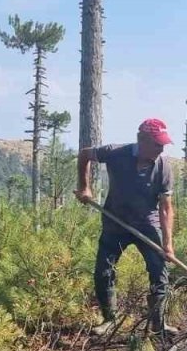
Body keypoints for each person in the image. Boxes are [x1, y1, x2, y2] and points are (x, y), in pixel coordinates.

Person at [75, 118, 177, 334]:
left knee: (159, 270)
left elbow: (166, 208)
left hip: (147, 225)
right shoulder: (115, 153)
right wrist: (85, 187)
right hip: (115, 221)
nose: (161, 148)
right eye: (157, 143)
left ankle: (159, 324)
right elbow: (85, 154)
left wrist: (167, 245)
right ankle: (109, 320)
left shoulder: (164, 167)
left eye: (163, 144)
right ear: (142, 139)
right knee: (104, 271)